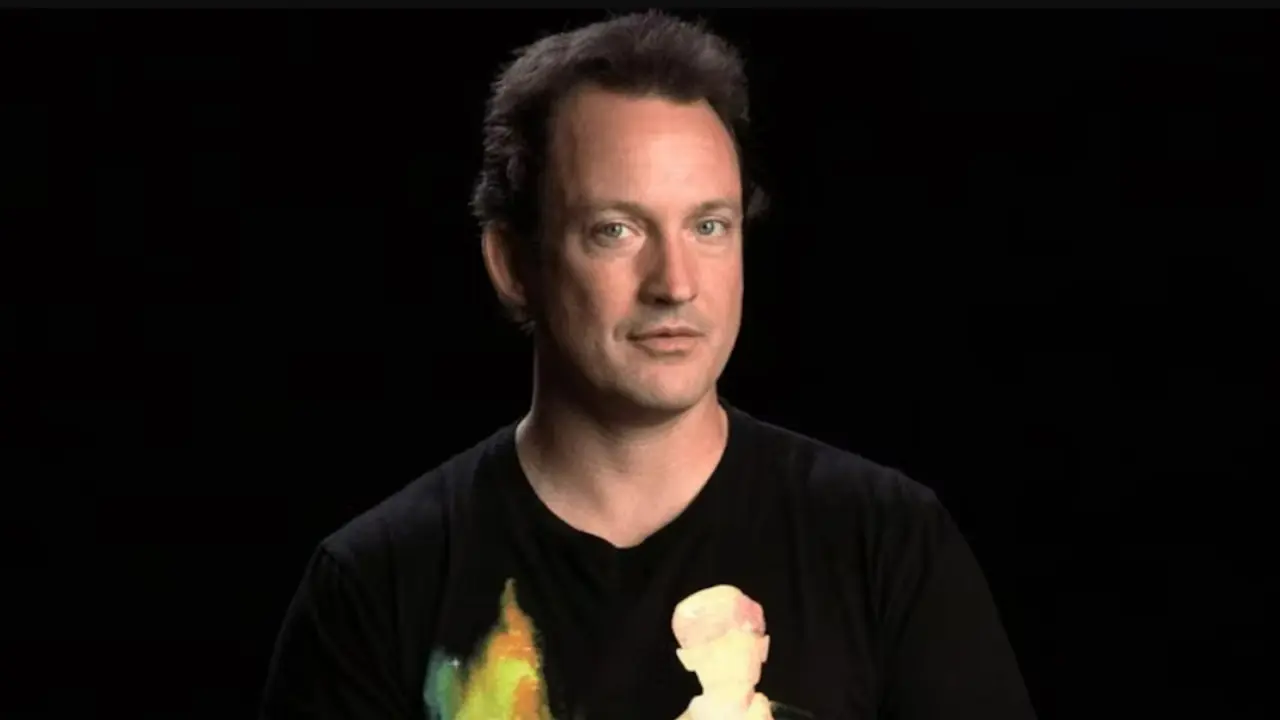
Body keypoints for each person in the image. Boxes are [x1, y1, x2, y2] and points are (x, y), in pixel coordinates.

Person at [261, 11, 1037, 720]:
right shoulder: (375, 585)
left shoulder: (887, 543)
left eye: (708, 225)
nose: (675, 282)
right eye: (616, 230)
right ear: (513, 264)